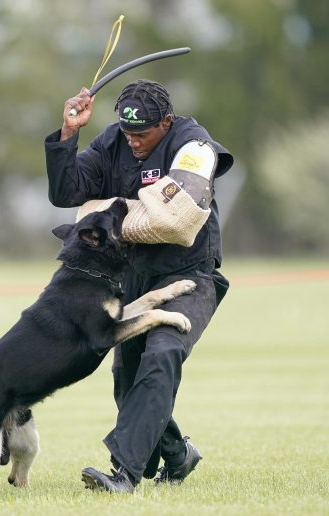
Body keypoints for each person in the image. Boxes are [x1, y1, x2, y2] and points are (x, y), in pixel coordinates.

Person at [44, 79, 233, 493]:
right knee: (127, 376)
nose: (131, 142)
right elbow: (68, 193)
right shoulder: (114, 141)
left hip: (188, 276)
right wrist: (68, 134)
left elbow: (175, 221)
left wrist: (102, 212)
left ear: (165, 122)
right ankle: (179, 455)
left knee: (163, 353)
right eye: (127, 132)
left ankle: (123, 475)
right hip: (132, 278)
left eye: (141, 134)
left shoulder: (194, 146)